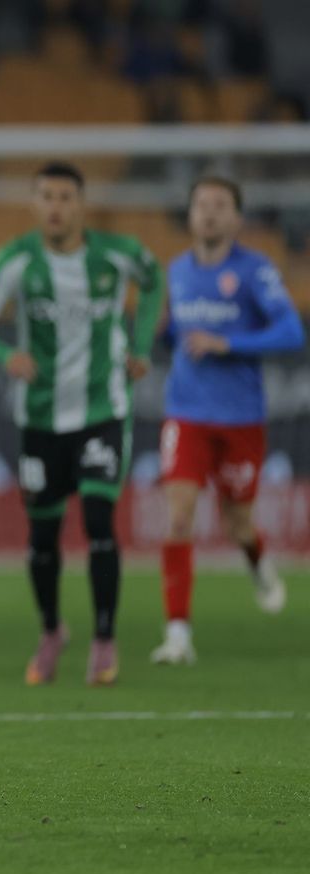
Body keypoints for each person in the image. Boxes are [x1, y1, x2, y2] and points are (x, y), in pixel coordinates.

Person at [0, 161, 163, 688]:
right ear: (34, 204)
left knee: (98, 521)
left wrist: (141, 346)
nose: (56, 207)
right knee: (43, 537)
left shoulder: (116, 254)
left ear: (81, 205)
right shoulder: (16, 259)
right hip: (41, 417)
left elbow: (154, 280)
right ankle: (51, 631)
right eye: (46, 197)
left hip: (102, 410)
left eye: (65, 197)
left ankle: (105, 639)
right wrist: (6, 355)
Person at [151, 175, 303, 665]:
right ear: (191, 214)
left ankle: (257, 561)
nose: (210, 213)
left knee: (238, 523)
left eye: (220, 205)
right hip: (186, 413)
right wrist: (160, 333)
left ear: (236, 218)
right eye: (202, 204)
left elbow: (292, 332)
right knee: (179, 517)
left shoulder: (255, 271)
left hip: (240, 418)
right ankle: (177, 635)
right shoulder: (176, 271)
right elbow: (175, 337)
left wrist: (227, 343)